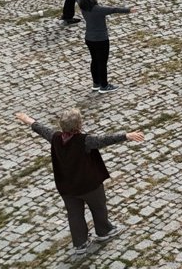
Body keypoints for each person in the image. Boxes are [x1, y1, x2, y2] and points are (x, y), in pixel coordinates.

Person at [15, 109, 143, 255]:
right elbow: (104, 140)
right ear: (79, 125)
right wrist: (126, 136)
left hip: (67, 187)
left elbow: (41, 128)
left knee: (74, 214)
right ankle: (104, 231)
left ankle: (80, 244)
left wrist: (26, 119)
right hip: (89, 185)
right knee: (98, 207)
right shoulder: (85, 140)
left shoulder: (55, 137)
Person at [65, 0, 131, 93]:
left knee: (94, 60)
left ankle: (96, 83)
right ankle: (104, 86)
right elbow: (114, 9)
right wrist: (129, 10)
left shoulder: (82, 5)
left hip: (89, 38)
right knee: (102, 63)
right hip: (101, 40)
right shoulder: (99, 9)